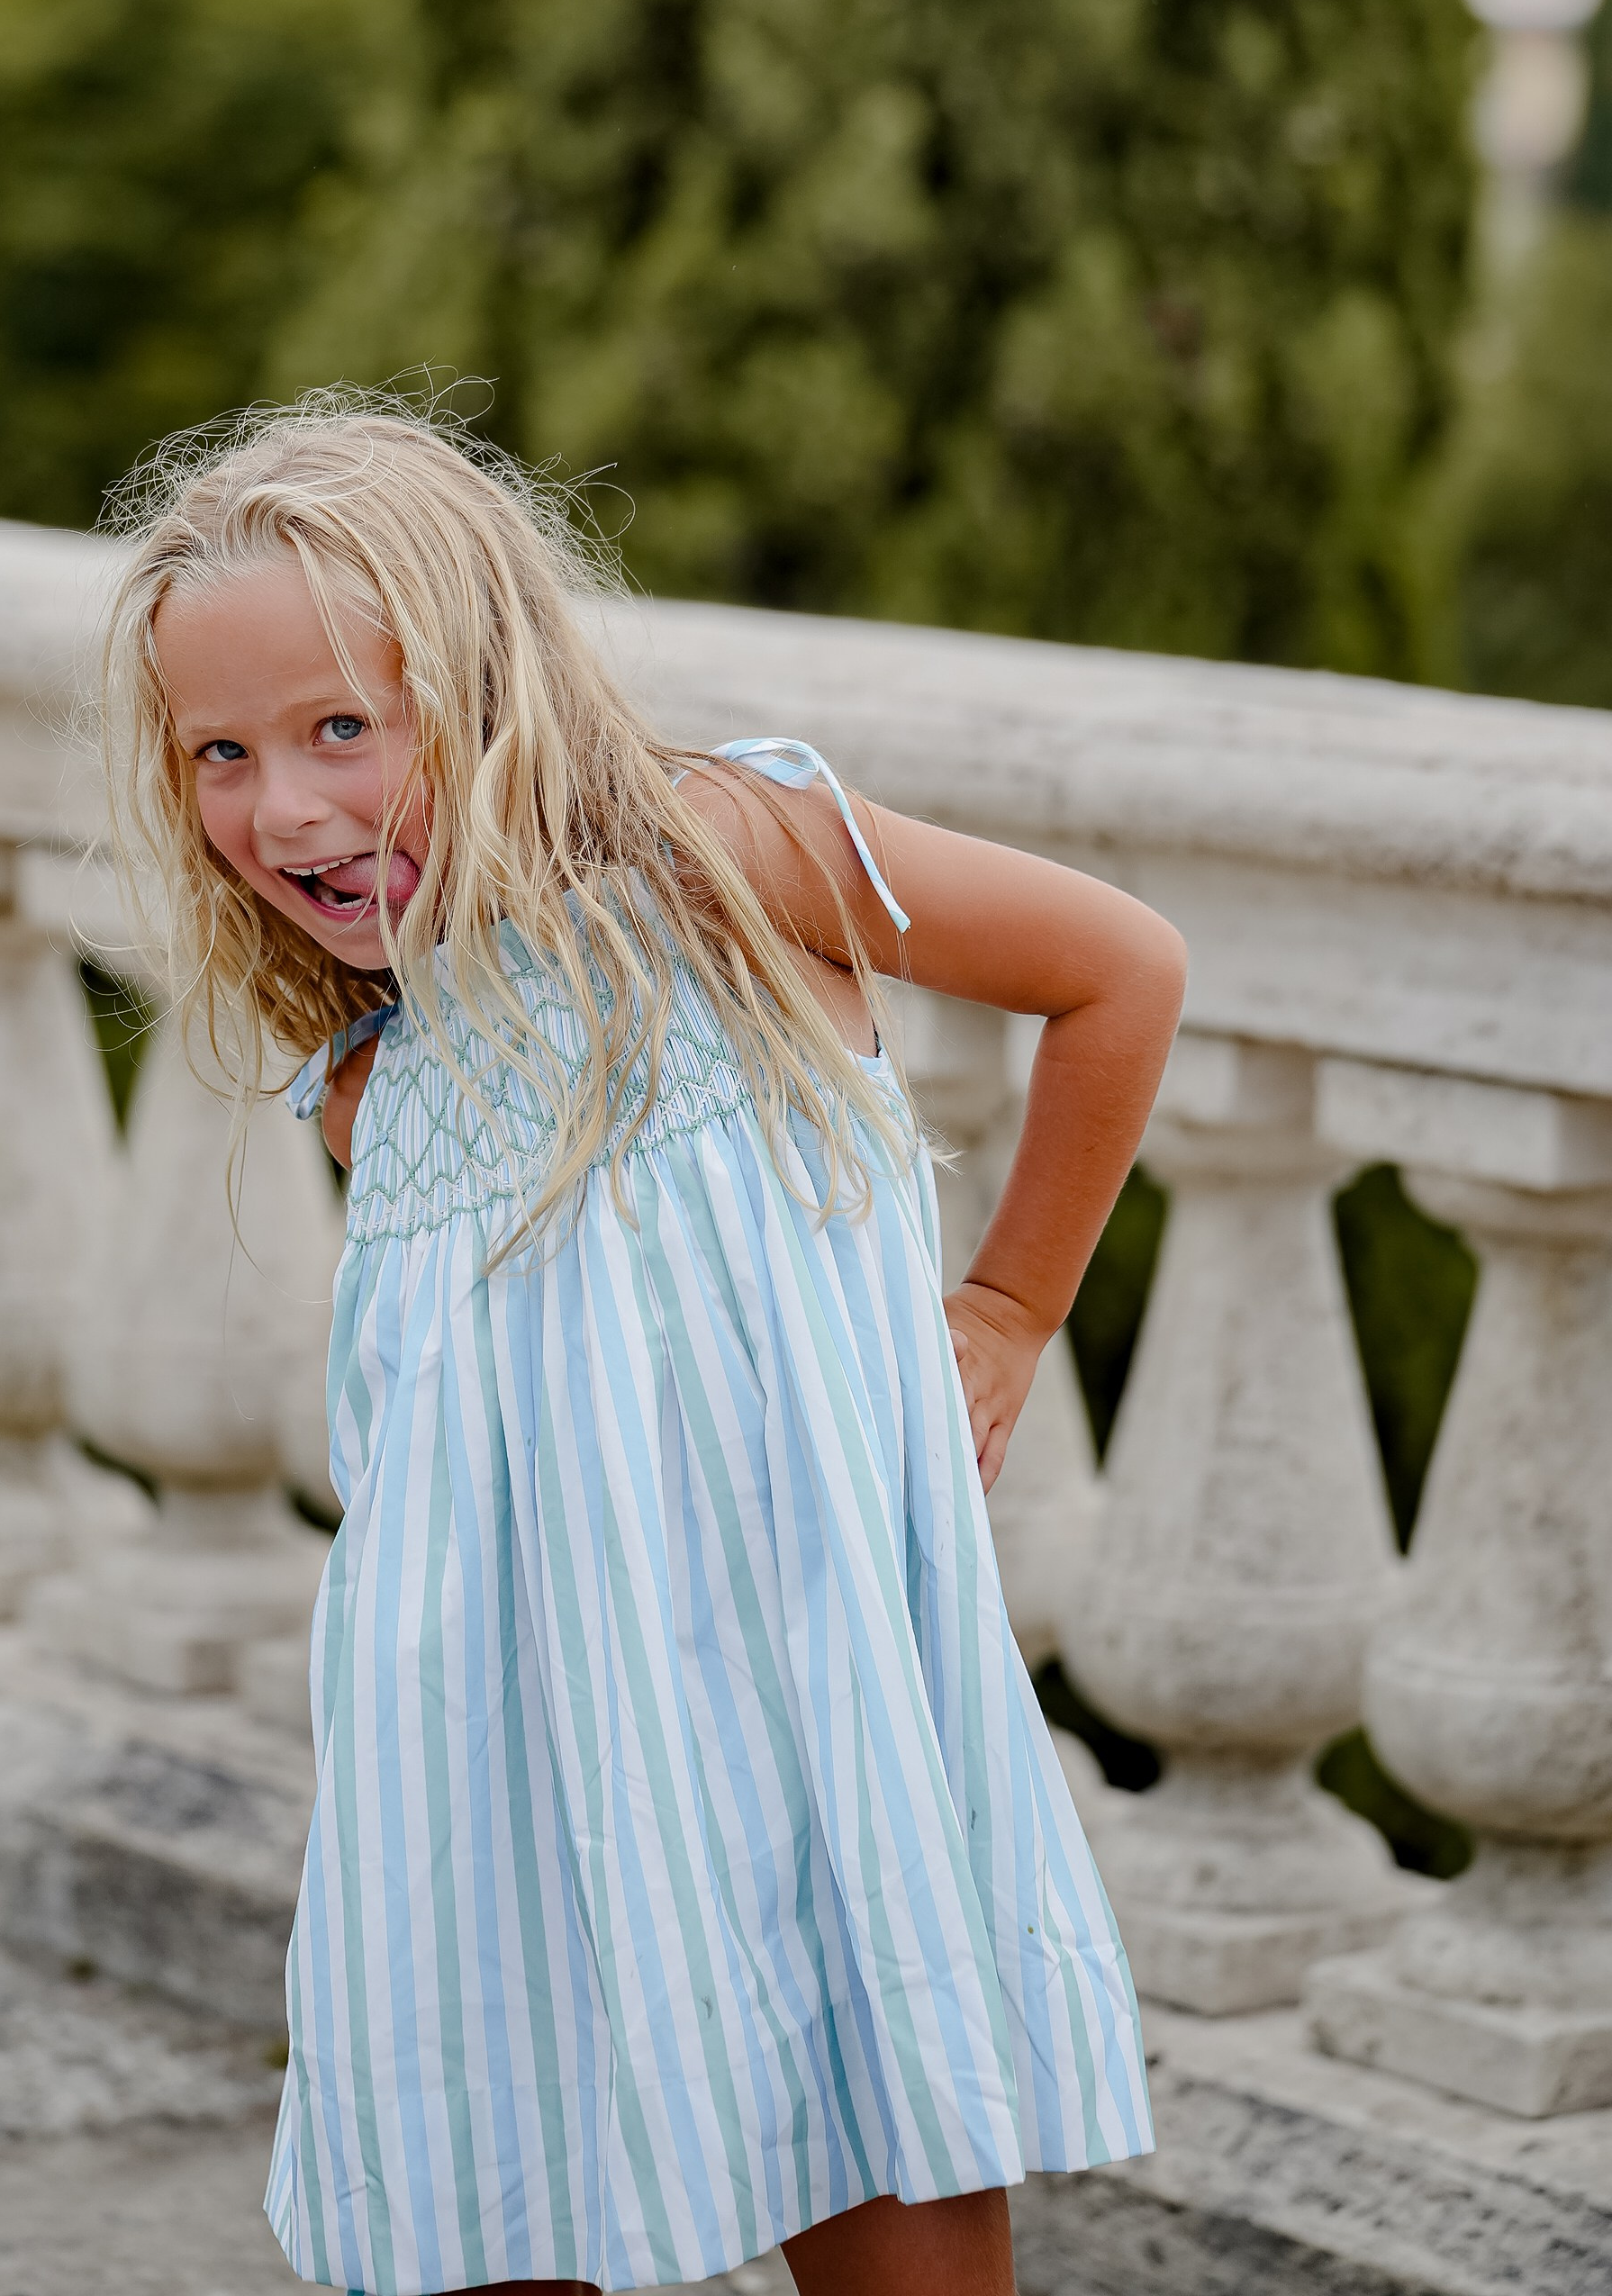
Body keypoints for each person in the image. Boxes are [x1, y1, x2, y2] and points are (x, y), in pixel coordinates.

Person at [103, 400, 1185, 2296]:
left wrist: (1005, 1309)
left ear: (487, 679)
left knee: (882, 2172)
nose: (281, 811)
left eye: (343, 727)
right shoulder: (374, 1087)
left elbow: (1119, 969)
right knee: (494, 2195)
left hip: (792, 1701)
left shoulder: (720, 857)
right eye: (223, 754)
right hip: (499, 1763)